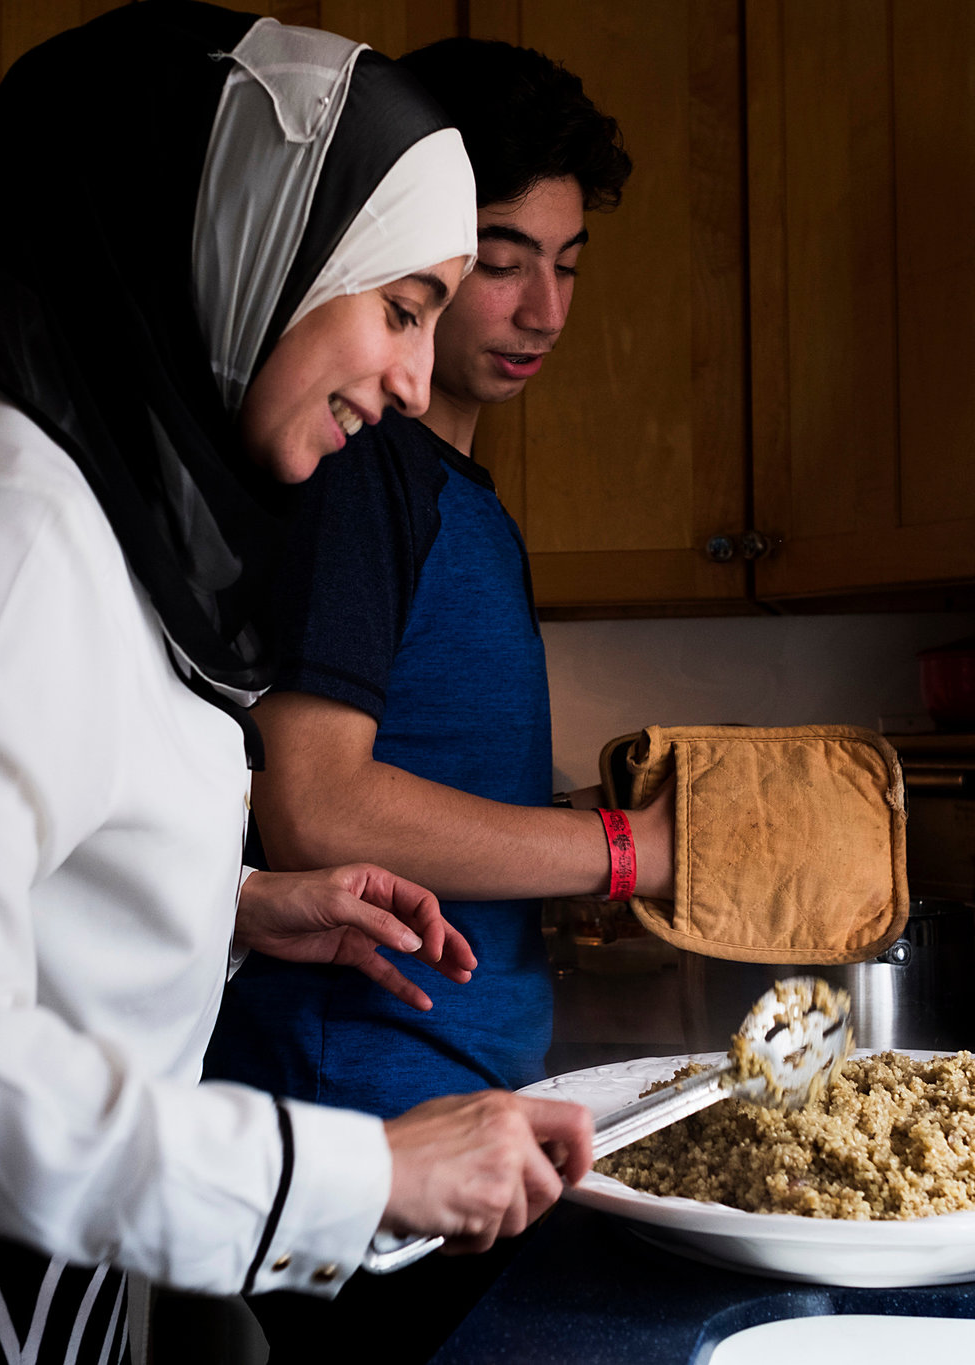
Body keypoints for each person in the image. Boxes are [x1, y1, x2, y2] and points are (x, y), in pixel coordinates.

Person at [0, 8, 592, 1363]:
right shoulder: (13, 523)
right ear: (259, 254)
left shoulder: (87, 502)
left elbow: (13, 867)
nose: (411, 378)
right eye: (398, 306)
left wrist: (229, 904)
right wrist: (366, 1173)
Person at [201, 37, 639, 1364]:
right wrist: (637, 850)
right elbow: (321, 806)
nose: (542, 309)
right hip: (352, 1140)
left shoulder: (457, 499)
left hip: (461, 1131)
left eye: (566, 265)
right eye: (503, 260)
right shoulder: (357, 473)